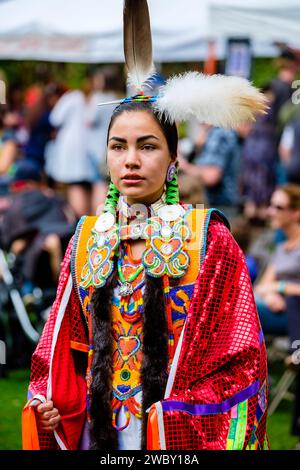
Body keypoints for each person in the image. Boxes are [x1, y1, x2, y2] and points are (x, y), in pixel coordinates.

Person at [22, 0, 268, 451]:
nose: (131, 160)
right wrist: (49, 401)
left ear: (174, 158)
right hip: (98, 431)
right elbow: (58, 351)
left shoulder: (207, 240)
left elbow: (241, 359)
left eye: (147, 146)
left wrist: (176, 414)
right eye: (118, 146)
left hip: (176, 432)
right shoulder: (87, 239)